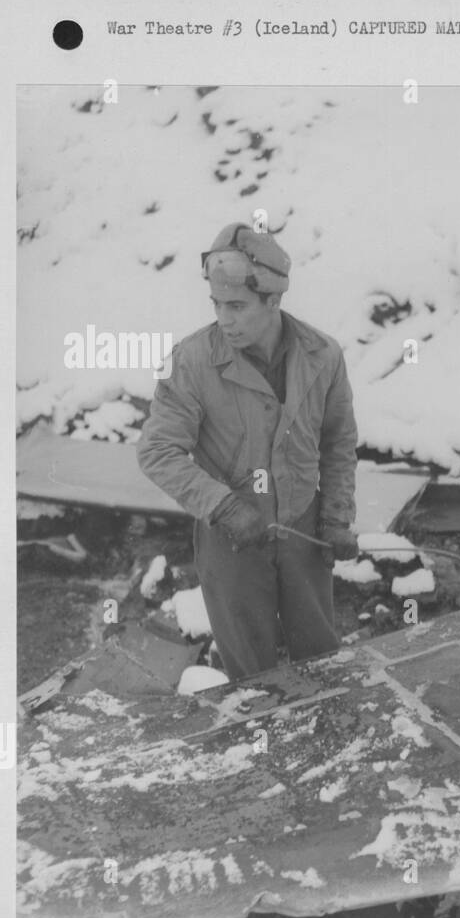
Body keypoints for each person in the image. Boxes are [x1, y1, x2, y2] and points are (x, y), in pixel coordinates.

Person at [138, 222, 359, 679]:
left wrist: (336, 517)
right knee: (251, 675)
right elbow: (157, 450)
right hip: (231, 541)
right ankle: (259, 747)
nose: (225, 319)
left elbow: (338, 442)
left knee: (320, 660)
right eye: (217, 305)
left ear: (273, 300)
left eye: (237, 306)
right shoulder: (193, 361)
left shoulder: (323, 356)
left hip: (304, 529)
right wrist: (222, 507)